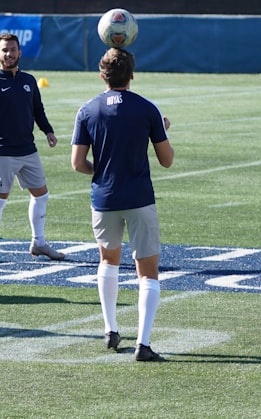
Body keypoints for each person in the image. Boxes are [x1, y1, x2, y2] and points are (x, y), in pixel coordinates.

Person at [71, 47, 174, 361]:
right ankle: (143, 344)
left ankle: (110, 328)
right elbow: (166, 160)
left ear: (102, 75)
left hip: (104, 198)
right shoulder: (147, 108)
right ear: (132, 74)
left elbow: (77, 163)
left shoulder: (87, 110)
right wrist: (160, 129)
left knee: (108, 262)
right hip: (139, 197)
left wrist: (101, 170)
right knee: (148, 273)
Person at [0, 32, 64, 264]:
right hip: (2, 152)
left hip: (28, 150)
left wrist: (48, 131)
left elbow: (38, 110)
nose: (9, 54)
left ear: (20, 52)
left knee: (41, 195)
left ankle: (39, 243)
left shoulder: (29, 80)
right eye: (4, 50)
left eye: (13, 50)